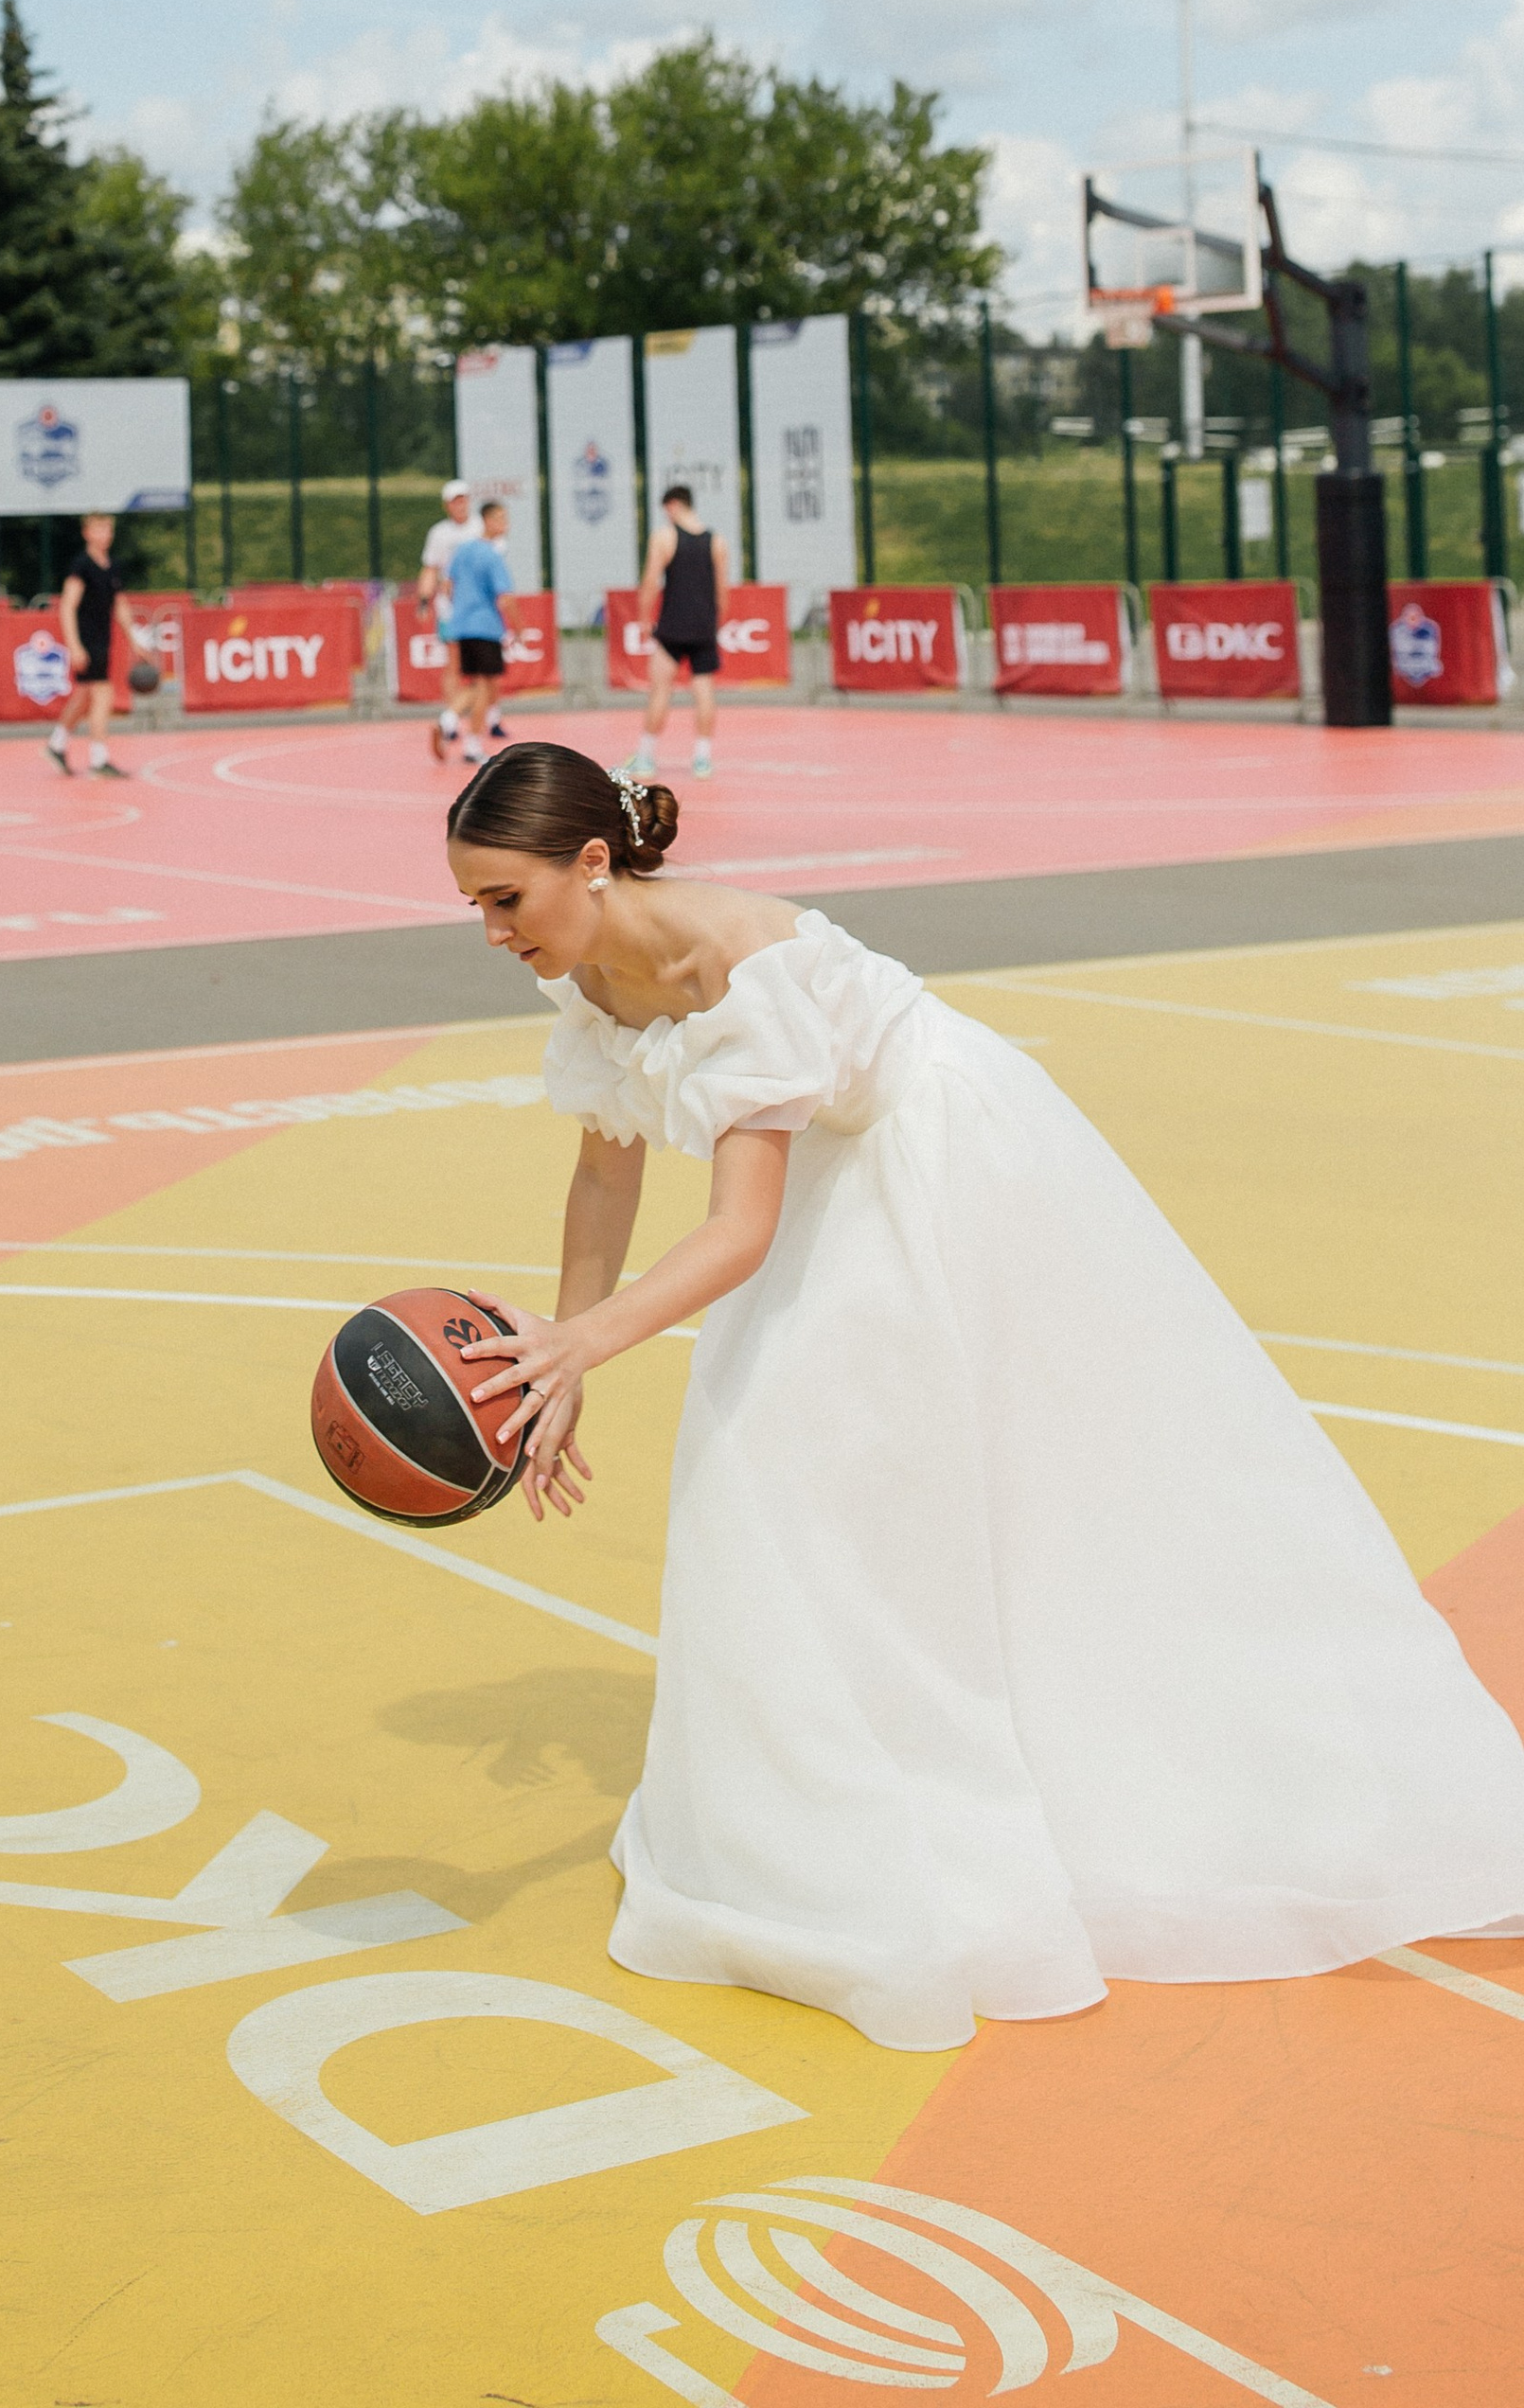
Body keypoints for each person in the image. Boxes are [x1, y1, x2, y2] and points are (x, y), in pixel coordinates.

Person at [439, 739, 1524, 2056]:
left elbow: (737, 1232)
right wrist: (559, 1336)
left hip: (947, 1161)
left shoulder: (731, 964)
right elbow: (607, 1172)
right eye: (476, 905)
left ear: (594, 863)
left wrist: (586, 1347)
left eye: (505, 898)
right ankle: (830, 1815)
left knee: (916, 1479)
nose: (491, 930)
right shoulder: (592, 969)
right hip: (849, 1184)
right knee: (780, 1483)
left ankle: (988, 1802)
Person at [615, 482, 724, 784]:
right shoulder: (716, 541)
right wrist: (716, 622)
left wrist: (643, 619)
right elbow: (722, 590)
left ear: (673, 505)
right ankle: (702, 758)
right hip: (704, 625)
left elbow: (650, 582)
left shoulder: (665, 537)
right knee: (704, 690)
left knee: (660, 690)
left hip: (673, 624)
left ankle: (647, 756)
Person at [48, 510, 150, 779]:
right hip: (87, 639)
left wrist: (133, 640)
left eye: (108, 530)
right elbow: (67, 607)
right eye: (99, 529)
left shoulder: (112, 566)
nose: (105, 535)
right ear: (87, 533)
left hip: (104, 639)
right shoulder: (81, 566)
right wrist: (74, 645)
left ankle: (56, 743)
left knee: (83, 696)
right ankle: (98, 758)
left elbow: (120, 605)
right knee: (103, 694)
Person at [438, 497, 516, 766]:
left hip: (461, 625)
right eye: (502, 519)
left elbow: (447, 586)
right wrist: (519, 627)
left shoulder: (462, 550)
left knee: (476, 683)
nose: (506, 524)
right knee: (484, 688)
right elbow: (505, 597)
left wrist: (460, 610)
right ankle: (467, 739)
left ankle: (451, 721)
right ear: (489, 520)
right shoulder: (491, 555)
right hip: (485, 626)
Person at [416, 478, 475, 762]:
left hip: (477, 608)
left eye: (463, 499)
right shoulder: (440, 533)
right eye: (455, 500)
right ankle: (452, 719)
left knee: (478, 672)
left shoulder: (479, 528)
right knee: (455, 663)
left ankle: (455, 720)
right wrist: (424, 600)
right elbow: (430, 568)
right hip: (451, 609)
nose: (460, 504)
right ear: (447, 505)